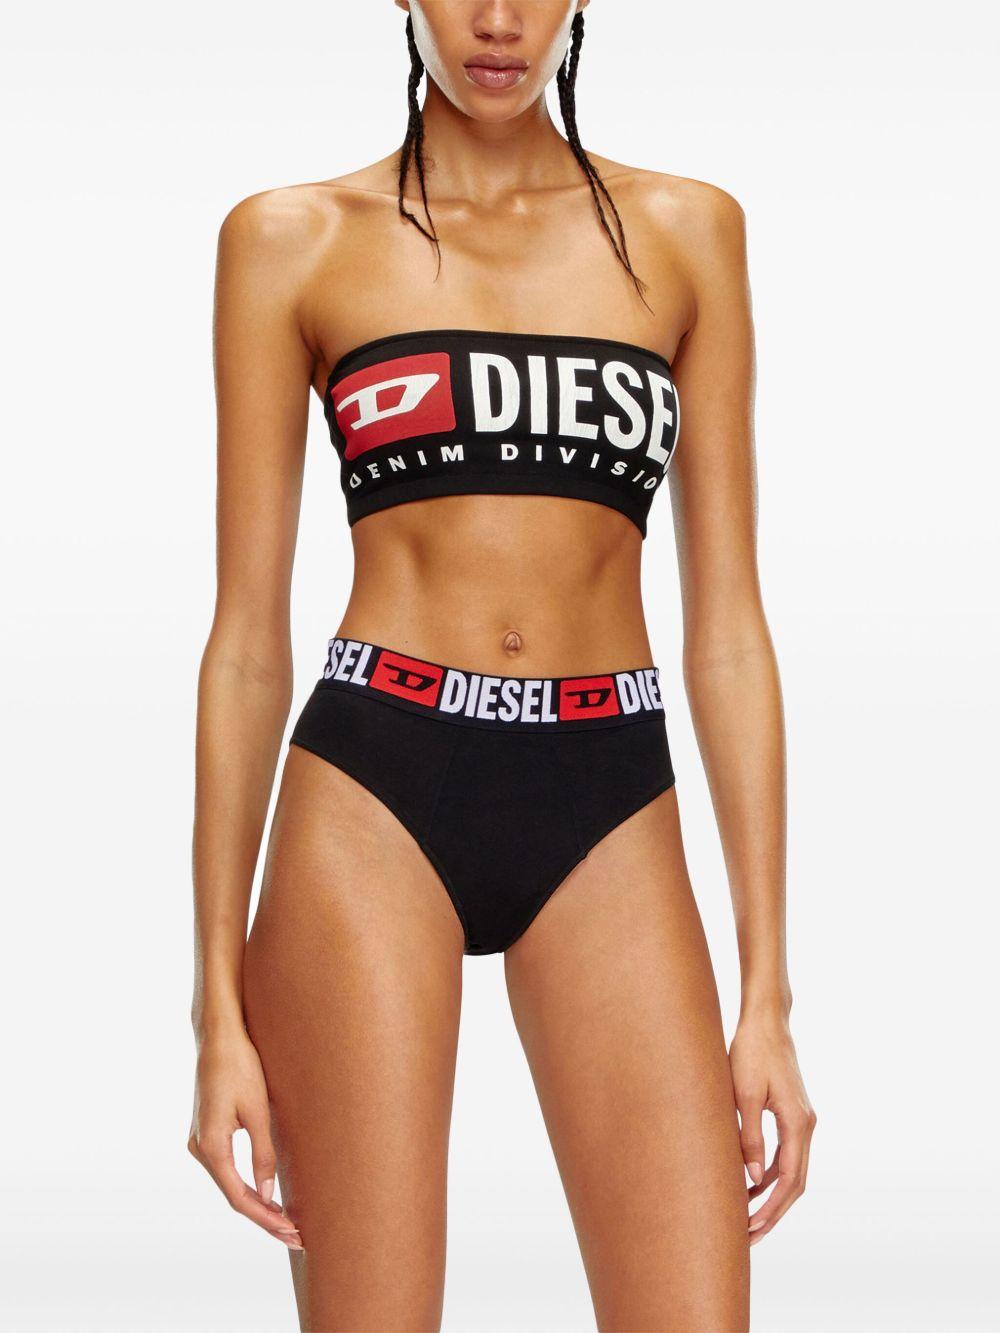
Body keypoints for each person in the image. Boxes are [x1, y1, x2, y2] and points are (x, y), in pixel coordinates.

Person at [188, 2, 816, 1328]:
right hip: (374, 789)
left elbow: (730, 628)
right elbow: (245, 642)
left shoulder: (689, 233)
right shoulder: (292, 240)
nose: (496, 20)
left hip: (609, 790)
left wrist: (767, 990)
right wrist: (215, 1017)